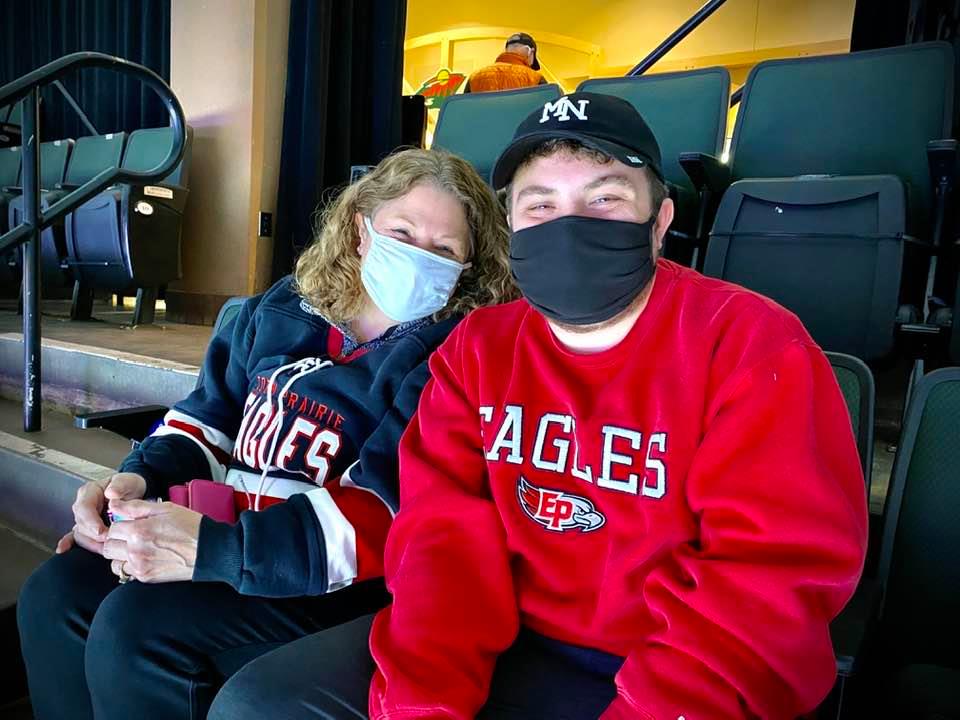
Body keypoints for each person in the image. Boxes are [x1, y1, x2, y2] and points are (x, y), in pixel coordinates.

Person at [209, 93, 869, 719]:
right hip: (511, 643)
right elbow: (441, 542)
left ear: (660, 221)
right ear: (513, 222)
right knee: (261, 703)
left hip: (671, 666)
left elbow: (761, 590)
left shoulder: (753, 344)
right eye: (540, 204)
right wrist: (422, 704)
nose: (569, 226)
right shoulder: (479, 347)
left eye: (604, 199)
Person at [17, 147, 516, 720]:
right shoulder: (282, 307)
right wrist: (136, 484)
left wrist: (214, 551)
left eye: (443, 250)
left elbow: (381, 513)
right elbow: (205, 422)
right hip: (230, 535)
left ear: (469, 267)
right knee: (57, 594)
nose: (418, 258)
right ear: (361, 230)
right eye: (402, 232)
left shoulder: (449, 355)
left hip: (332, 579)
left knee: (137, 628)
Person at [464, 32, 546, 94]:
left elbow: (464, 109)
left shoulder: (475, 77)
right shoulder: (535, 78)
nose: (530, 65)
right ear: (530, 52)